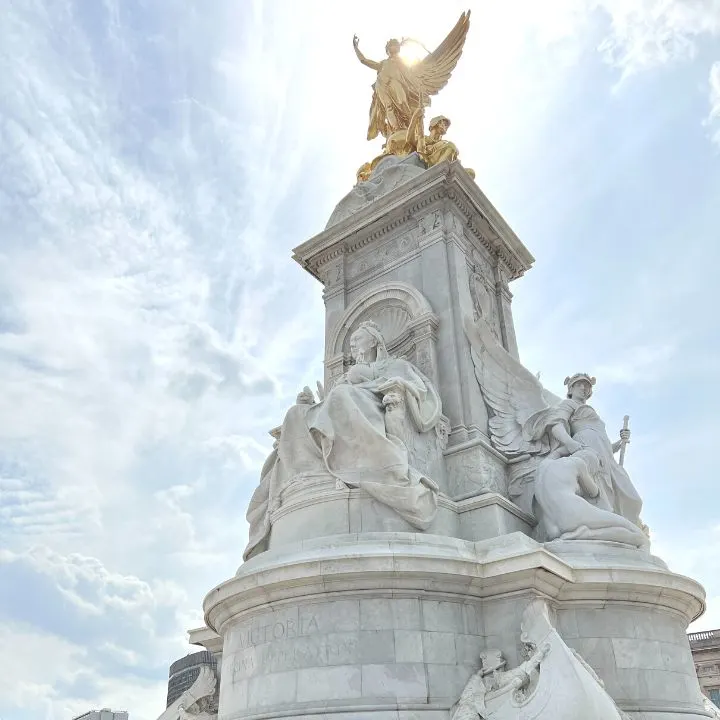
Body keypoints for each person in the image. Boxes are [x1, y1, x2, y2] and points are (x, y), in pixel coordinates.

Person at [243, 321, 442, 560]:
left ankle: (357, 465)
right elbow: (328, 403)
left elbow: (418, 389)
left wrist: (379, 384)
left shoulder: (394, 365)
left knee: (341, 396)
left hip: (373, 402)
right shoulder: (346, 380)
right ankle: (307, 476)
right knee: (295, 414)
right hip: (348, 404)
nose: (353, 344)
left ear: (374, 341)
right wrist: (310, 401)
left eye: (358, 339)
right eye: (351, 342)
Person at [522, 373, 642, 527]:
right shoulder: (568, 404)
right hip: (585, 447)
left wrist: (620, 442)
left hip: (605, 456)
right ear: (571, 388)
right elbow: (556, 425)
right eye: (580, 384)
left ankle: (622, 529)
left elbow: (605, 448)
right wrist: (570, 442)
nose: (584, 388)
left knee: (632, 499)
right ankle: (602, 528)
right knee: (598, 495)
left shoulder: (589, 410)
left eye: (587, 386)